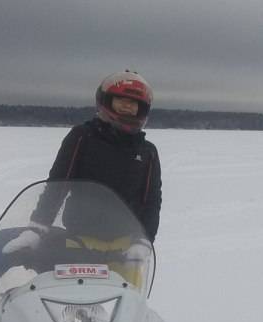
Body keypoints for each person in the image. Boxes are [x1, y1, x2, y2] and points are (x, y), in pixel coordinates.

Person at [12, 70, 163, 255]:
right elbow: (58, 184)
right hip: (79, 239)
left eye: (133, 103)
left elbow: (151, 200)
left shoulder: (148, 152)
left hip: (127, 248)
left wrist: (144, 240)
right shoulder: (82, 137)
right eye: (120, 99)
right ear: (106, 101)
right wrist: (37, 227)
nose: (127, 106)